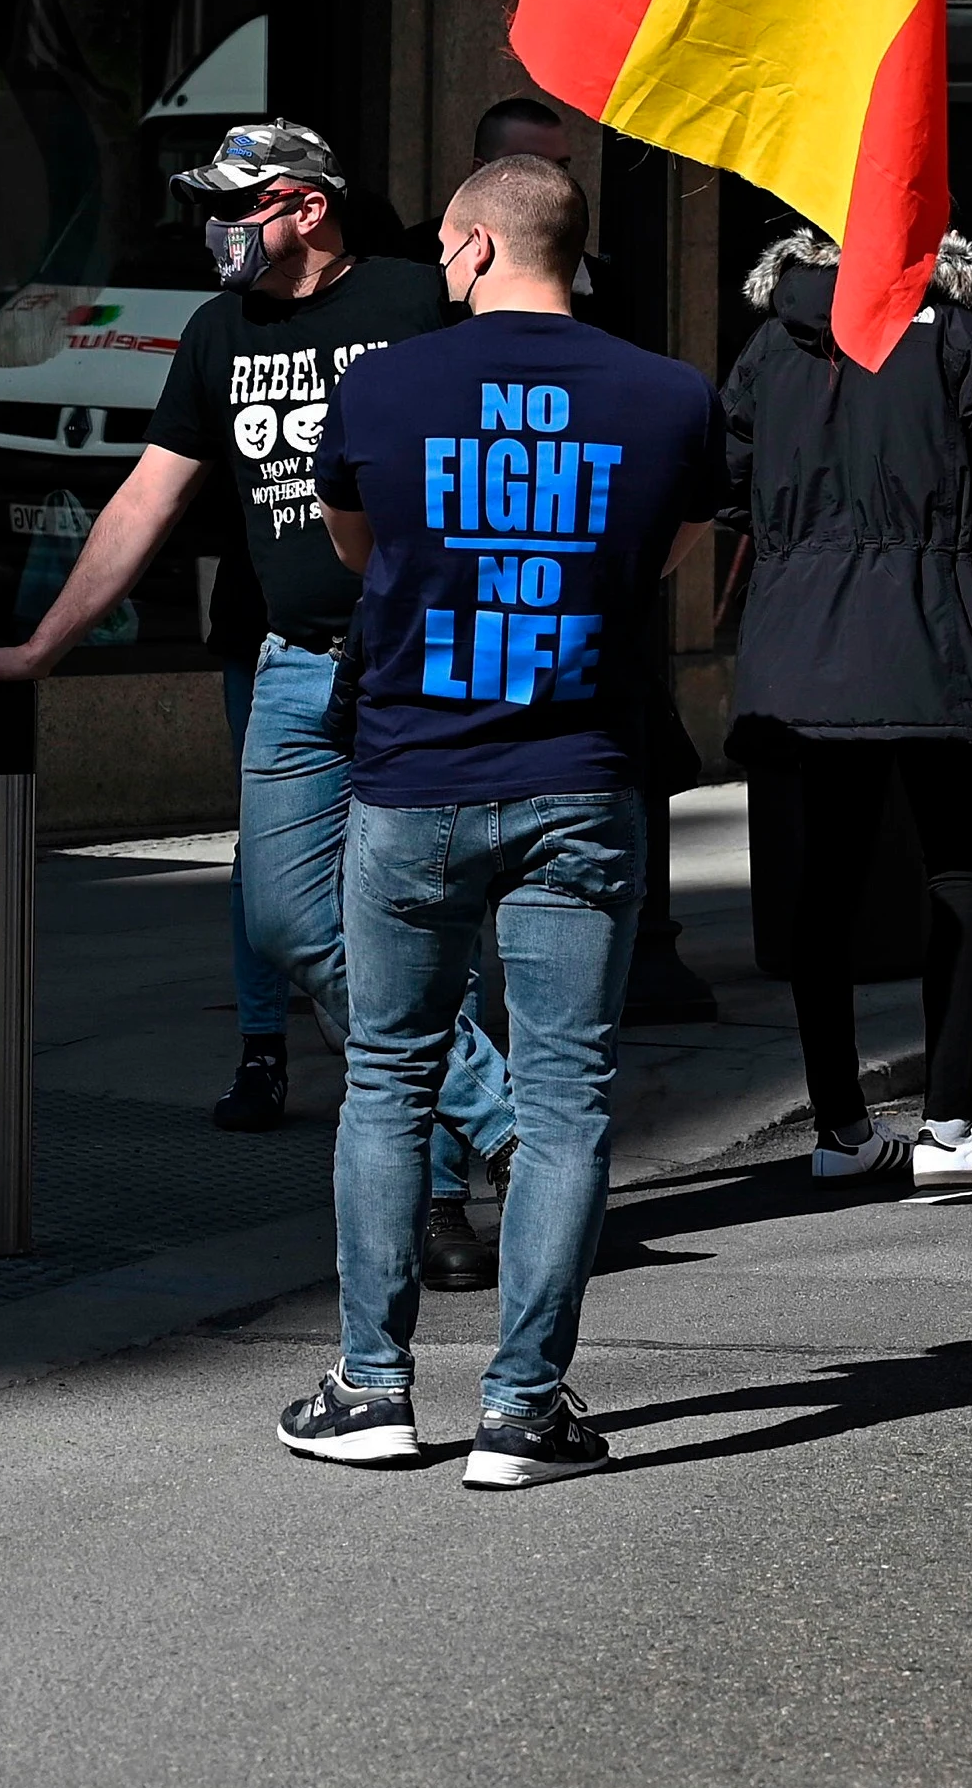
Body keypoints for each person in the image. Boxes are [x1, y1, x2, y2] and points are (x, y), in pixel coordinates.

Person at [0, 120, 518, 1294]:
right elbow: (144, 497)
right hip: (295, 667)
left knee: (438, 935)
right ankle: (506, 1113)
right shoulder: (218, 333)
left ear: (309, 206)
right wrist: (43, 645)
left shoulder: (424, 299)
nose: (218, 226)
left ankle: (445, 1197)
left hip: (422, 661)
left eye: (240, 203)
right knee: (287, 924)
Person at [276, 152, 722, 1487]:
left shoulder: (384, 383)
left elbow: (361, 551)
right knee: (567, 1096)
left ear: (468, 248)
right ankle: (524, 1408)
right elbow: (660, 561)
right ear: (572, 253)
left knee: (388, 1078)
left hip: (412, 775)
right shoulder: (669, 394)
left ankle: (372, 1386)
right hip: (580, 776)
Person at [722, 226, 972, 1187]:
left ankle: (840, 1129)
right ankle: (952, 1126)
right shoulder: (961, 331)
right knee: (959, 870)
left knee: (825, 883)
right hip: (937, 633)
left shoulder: (773, 340)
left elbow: (724, 481)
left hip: (802, 644)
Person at [475, 96, 718, 1025]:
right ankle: (484, 1126)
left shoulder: (627, 330)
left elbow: (686, 514)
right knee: (405, 1046)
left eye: (572, 170)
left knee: (556, 1047)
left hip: (576, 718)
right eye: (546, 169)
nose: (564, 192)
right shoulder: (422, 323)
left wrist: (612, 567)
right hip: (449, 739)